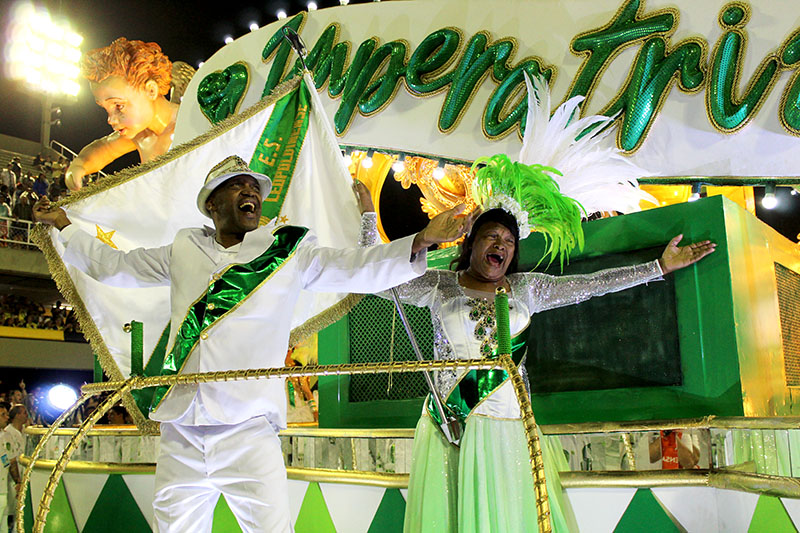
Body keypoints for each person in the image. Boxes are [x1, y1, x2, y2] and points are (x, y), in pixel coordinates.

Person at [34, 154, 478, 532]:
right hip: (182, 430)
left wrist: (420, 239)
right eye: (236, 187)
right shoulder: (183, 248)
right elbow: (115, 266)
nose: (250, 192)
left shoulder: (287, 250)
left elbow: (356, 266)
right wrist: (65, 227)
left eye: (254, 186)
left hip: (248, 427)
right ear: (212, 204)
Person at [357, 153, 715, 532]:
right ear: (472, 242)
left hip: (511, 426)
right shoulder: (440, 286)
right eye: (492, 236)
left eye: (509, 241)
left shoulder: (527, 288)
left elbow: (593, 286)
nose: (501, 245)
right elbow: (374, 274)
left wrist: (658, 267)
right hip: (454, 424)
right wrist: (367, 214)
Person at [65, 38, 178, 191]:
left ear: (151, 90)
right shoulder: (141, 136)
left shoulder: (191, 120)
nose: (111, 120)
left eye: (119, 106)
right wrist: (79, 165)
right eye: (106, 109)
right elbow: (105, 147)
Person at [4, 404, 26, 530]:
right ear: (16, 415)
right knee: (9, 511)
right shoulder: (8, 433)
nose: (26, 415)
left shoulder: (25, 431)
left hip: (22, 475)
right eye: (23, 413)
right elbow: (10, 461)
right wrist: (17, 480)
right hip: (10, 478)